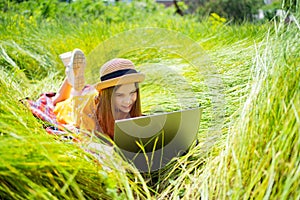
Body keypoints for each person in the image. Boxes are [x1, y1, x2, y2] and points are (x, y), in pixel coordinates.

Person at [47, 48, 145, 140]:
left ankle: (71, 76)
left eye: (132, 93)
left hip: (87, 94)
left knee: (72, 97)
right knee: (57, 102)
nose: (128, 101)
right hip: (80, 107)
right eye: (120, 95)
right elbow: (87, 137)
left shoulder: (130, 106)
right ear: (107, 95)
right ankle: (70, 75)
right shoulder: (90, 109)